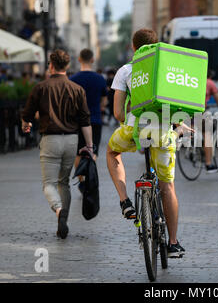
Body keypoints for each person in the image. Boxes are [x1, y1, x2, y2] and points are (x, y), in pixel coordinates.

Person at [106, 28, 189, 258]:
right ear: (157, 46)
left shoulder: (125, 71)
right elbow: (179, 104)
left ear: (133, 48)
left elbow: (118, 113)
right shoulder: (167, 69)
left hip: (134, 130)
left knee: (112, 152)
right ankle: (172, 243)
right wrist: (178, 125)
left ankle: (125, 201)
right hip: (162, 131)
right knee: (167, 186)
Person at [21, 50, 93, 239]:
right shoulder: (77, 89)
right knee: (64, 183)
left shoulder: (41, 87)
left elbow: (27, 113)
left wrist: (25, 123)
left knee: (48, 184)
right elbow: (85, 120)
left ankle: (59, 210)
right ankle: (64, 220)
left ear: (51, 65)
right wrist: (90, 146)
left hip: (50, 139)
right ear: (67, 66)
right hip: (71, 140)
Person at [70, 49, 108, 192]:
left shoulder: (72, 79)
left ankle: (82, 181)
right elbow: (104, 102)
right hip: (95, 120)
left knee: (78, 153)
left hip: (77, 121)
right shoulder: (100, 79)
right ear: (92, 60)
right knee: (93, 151)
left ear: (79, 59)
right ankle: (90, 176)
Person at [203, 69, 218, 173]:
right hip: (202, 111)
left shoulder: (195, 80)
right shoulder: (210, 83)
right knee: (207, 136)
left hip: (189, 111)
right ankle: (208, 164)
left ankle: (194, 149)